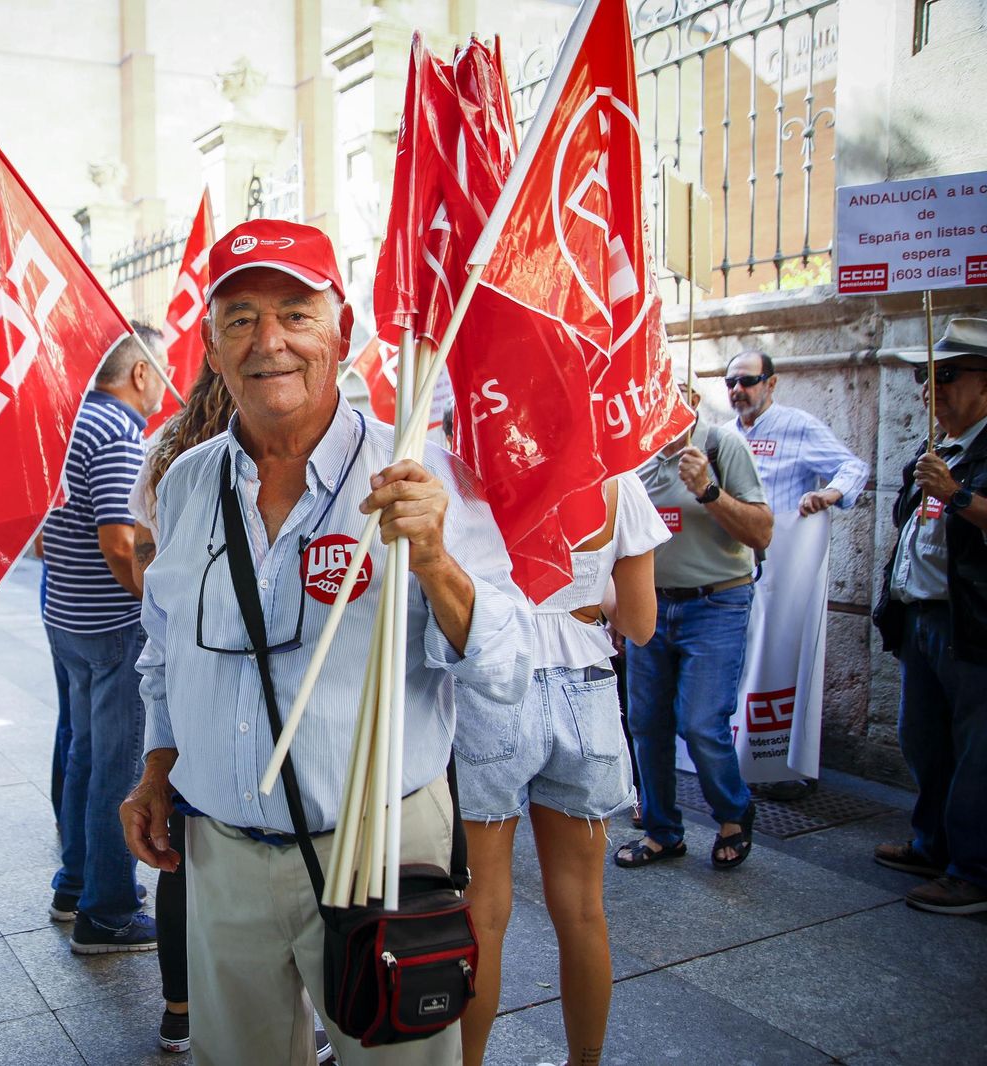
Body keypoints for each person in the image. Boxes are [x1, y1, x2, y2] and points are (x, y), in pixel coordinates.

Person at [121, 219, 533, 1066]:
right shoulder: (190, 480)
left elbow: (509, 667)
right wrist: (158, 764)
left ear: (340, 328)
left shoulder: (422, 472)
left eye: (295, 313)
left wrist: (436, 563)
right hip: (222, 853)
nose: (268, 341)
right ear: (210, 342)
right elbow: (162, 647)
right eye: (239, 317)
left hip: (380, 852)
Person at [454, 473, 667, 1066]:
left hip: (492, 686)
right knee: (582, 908)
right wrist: (591, 592)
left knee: (483, 912)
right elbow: (641, 625)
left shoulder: (479, 460)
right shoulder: (619, 481)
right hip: (587, 687)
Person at [44, 323, 168, 954]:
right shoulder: (121, 434)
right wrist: (155, 610)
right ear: (140, 373)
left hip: (65, 614)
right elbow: (121, 542)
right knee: (116, 768)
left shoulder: (72, 423)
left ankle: (73, 884)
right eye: (162, 369)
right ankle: (108, 910)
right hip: (111, 624)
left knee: (81, 751)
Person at [620, 401, 772, 871]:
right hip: (653, 603)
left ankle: (732, 812)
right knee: (646, 723)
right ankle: (662, 830)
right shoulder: (637, 451)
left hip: (715, 604)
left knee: (702, 722)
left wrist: (709, 490)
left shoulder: (720, 444)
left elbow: (761, 532)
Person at [871, 317, 987, 916]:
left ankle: (971, 871)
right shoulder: (936, 446)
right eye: (924, 375)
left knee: (976, 753)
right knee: (924, 739)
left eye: (947, 375)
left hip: (971, 624)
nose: (930, 388)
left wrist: (959, 495)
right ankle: (932, 844)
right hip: (925, 619)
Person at [725, 350, 868, 802]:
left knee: (777, 658)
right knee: (735, 662)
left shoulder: (797, 425)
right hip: (729, 570)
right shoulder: (723, 435)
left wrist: (828, 493)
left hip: (782, 572)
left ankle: (777, 764)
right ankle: (730, 755)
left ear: (771, 383)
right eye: (730, 382)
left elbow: (853, 468)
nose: (737, 390)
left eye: (747, 381)